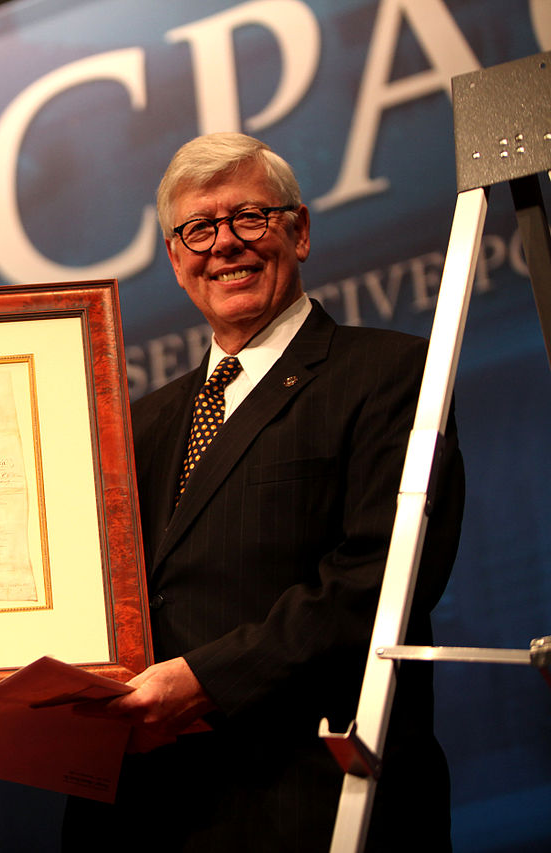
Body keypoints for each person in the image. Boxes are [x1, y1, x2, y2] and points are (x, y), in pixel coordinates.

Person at [62, 132, 463, 851]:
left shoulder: (392, 374)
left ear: (299, 231)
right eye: (199, 228)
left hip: (308, 803)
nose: (225, 243)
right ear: (175, 258)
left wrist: (205, 679)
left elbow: (380, 582)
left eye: (249, 217)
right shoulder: (135, 424)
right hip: (146, 811)